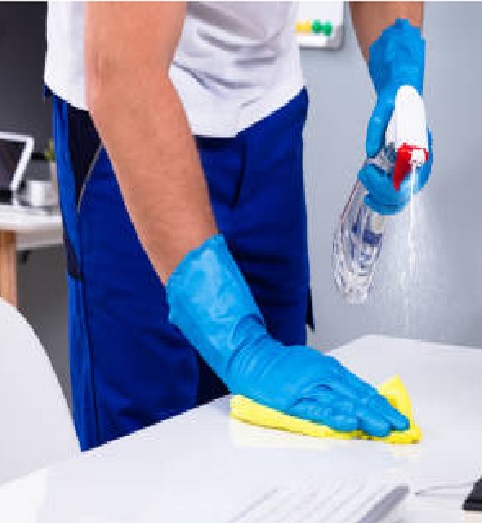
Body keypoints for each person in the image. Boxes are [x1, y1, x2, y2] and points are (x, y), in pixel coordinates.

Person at [44, 2, 433, 451]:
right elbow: (124, 76)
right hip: (132, 110)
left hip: (266, 111)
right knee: (145, 447)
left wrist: (399, 73)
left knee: (277, 431)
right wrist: (242, 345)